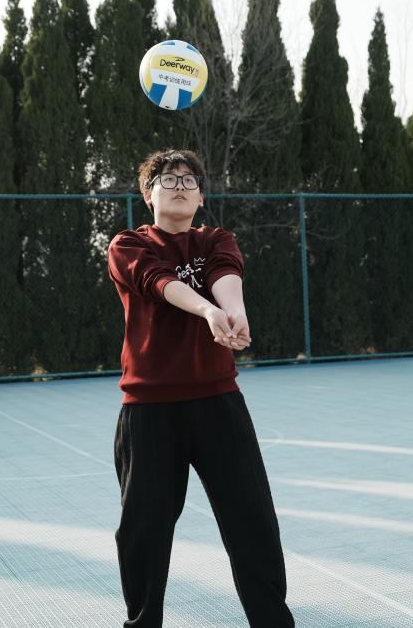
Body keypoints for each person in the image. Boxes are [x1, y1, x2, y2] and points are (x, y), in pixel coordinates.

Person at [107, 149, 295, 628]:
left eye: (189, 180)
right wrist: (208, 311)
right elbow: (158, 281)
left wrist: (233, 311)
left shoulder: (215, 239)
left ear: (201, 197)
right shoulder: (128, 245)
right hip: (150, 409)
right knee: (144, 532)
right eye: (168, 180)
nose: (180, 186)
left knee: (253, 522)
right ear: (148, 195)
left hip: (218, 404)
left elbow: (224, 275)